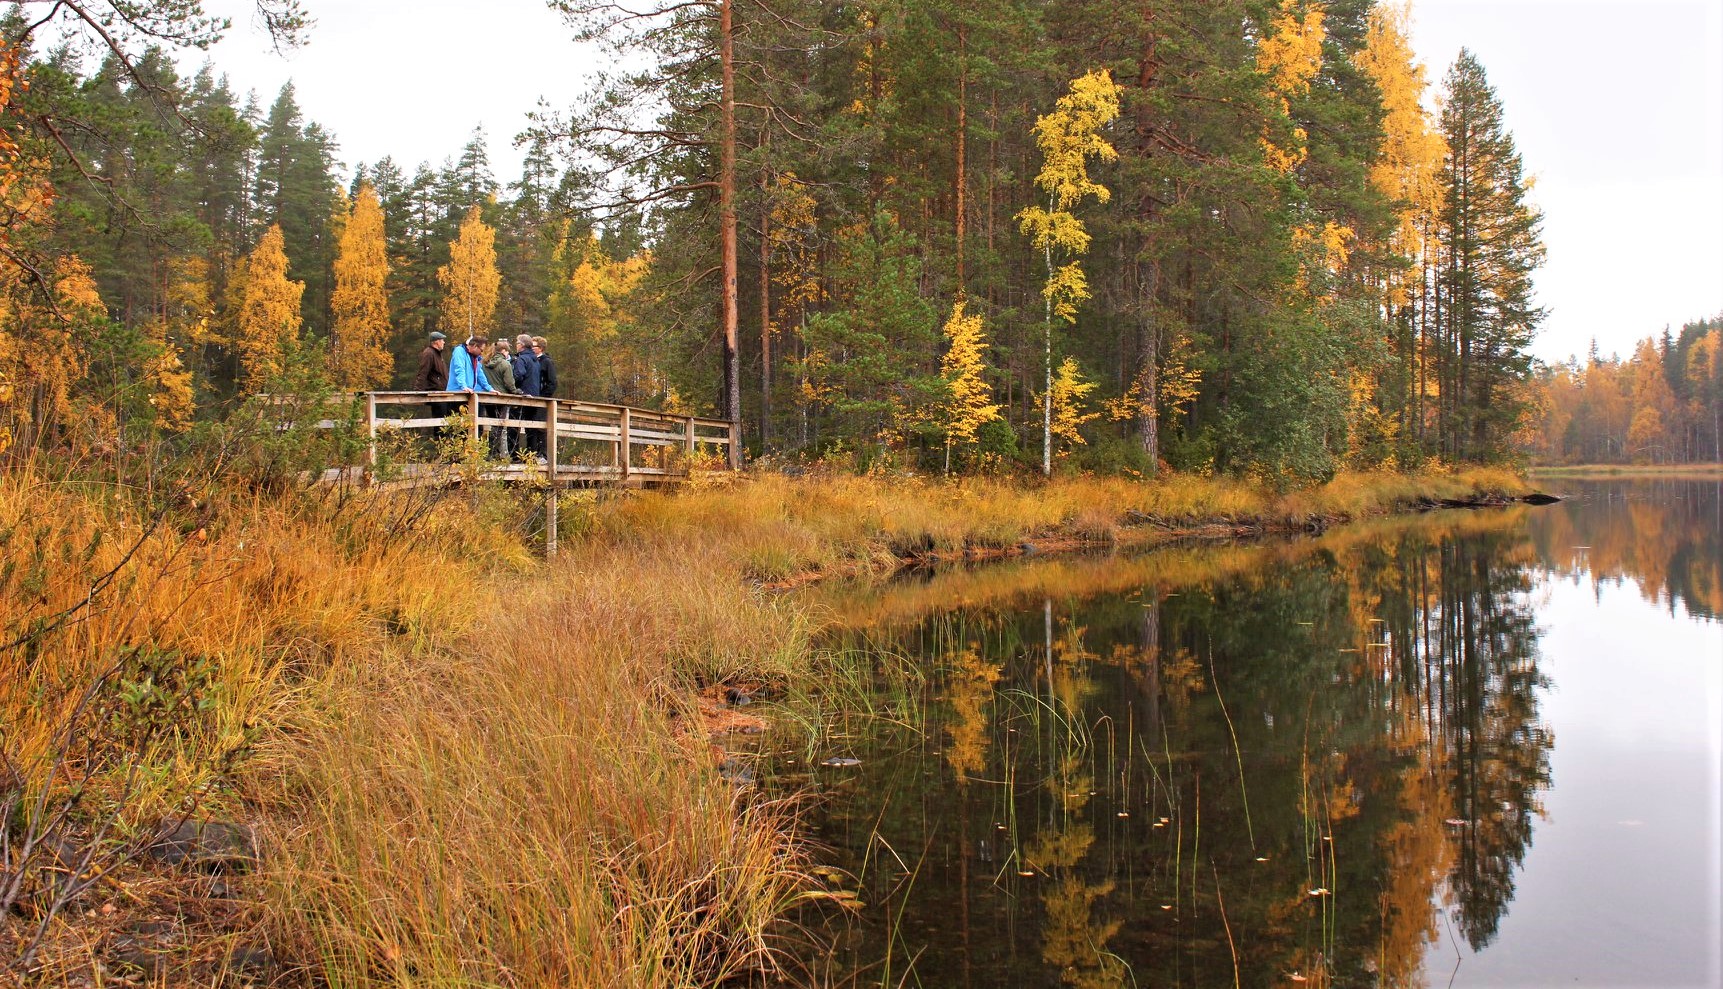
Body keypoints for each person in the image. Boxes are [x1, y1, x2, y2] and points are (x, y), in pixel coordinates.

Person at [484, 338, 519, 457]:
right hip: (501, 398)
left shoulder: (485, 362)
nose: (508, 354)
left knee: (491, 423)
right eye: (507, 351)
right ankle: (492, 452)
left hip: (487, 397)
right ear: (503, 350)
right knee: (499, 425)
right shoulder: (505, 364)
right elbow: (509, 383)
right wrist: (515, 391)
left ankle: (490, 451)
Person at [511, 332, 543, 457]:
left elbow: (519, 375)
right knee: (531, 426)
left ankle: (514, 455)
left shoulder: (522, 359)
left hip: (523, 396)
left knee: (514, 425)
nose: (516, 345)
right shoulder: (535, 360)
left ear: (522, 345)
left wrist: (512, 385)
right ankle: (531, 455)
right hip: (534, 396)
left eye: (517, 343)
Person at [412, 330, 451, 418]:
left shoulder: (437, 354)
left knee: (445, 420)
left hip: (442, 392)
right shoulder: (429, 353)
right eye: (442, 340)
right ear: (437, 342)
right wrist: (418, 390)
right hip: (436, 392)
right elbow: (423, 372)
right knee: (440, 420)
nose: (444, 342)